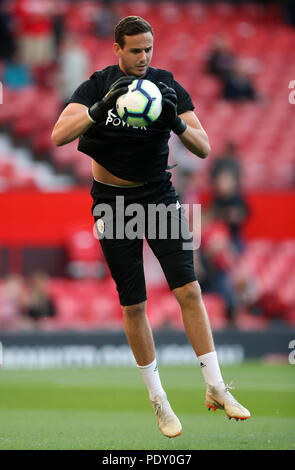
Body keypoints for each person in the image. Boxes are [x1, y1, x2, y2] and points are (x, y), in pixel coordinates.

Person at [51, 16, 250, 438]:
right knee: (134, 304)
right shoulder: (96, 84)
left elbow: (203, 146)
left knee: (189, 289)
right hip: (113, 204)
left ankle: (216, 387)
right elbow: (58, 135)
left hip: (158, 196)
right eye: (136, 50)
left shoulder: (166, 85)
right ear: (117, 50)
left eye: (148, 50)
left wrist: (176, 119)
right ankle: (159, 401)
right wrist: (102, 107)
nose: (143, 58)